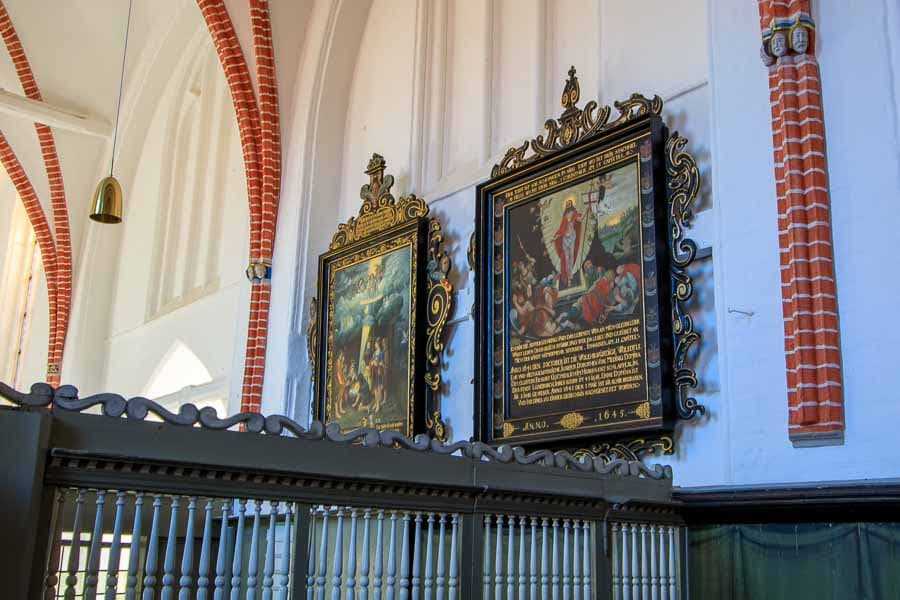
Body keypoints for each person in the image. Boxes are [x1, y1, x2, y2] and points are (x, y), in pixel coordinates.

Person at [552, 198, 583, 287]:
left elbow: (580, 220)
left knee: (571, 256)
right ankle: (568, 277)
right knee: (566, 258)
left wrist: (586, 212)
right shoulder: (565, 216)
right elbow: (561, 229)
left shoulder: (574, 213)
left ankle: (570, 274)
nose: (568, 205)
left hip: (572, 237)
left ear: (572, 204)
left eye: (569, 203)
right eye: (567, 204)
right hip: (565, 239)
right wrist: (555, 237)